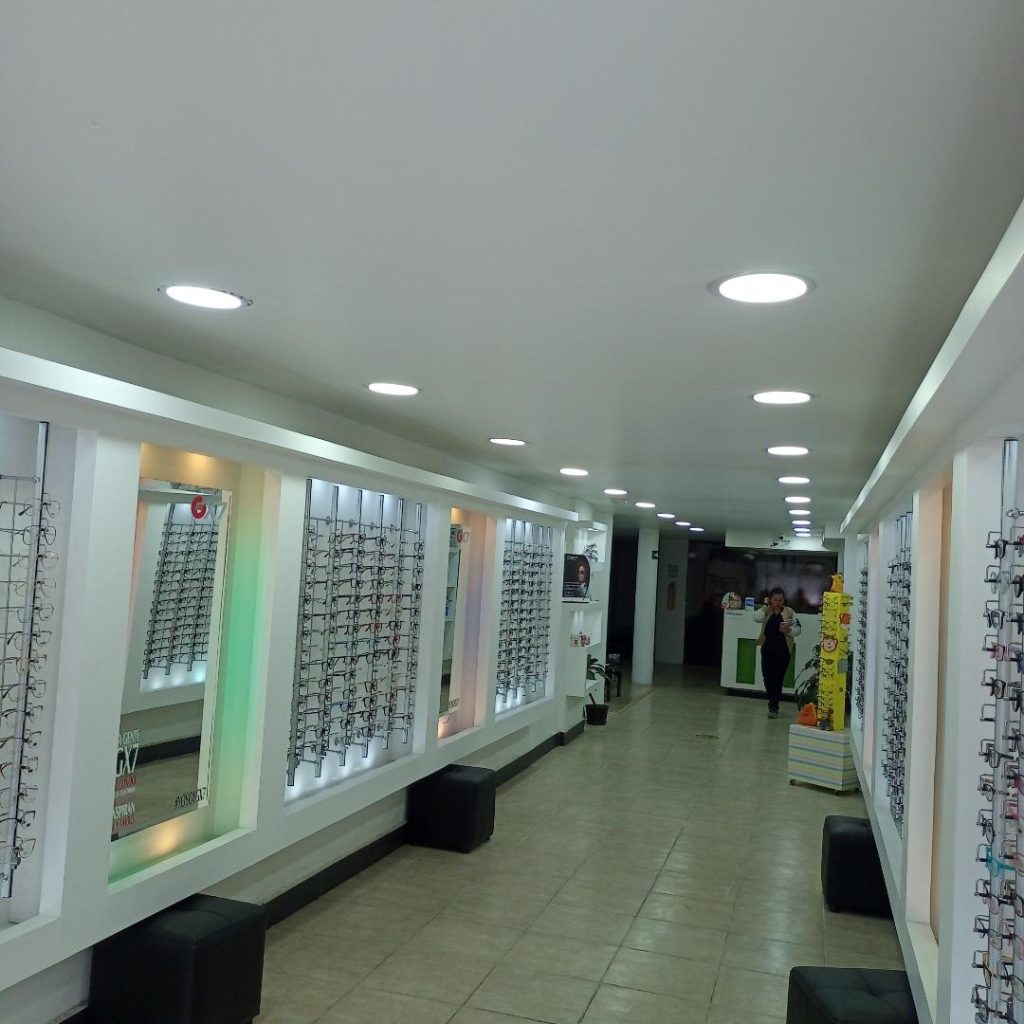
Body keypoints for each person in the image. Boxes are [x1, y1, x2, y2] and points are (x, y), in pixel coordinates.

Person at [753, 587, 801, 718]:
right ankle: (771, 701)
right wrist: (765, 606)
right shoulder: (766, 611)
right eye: (775, 600)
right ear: (770, 599)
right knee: (767, 677)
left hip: (783, 651)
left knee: (777, 678)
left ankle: (774, 706)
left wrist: (789, 630)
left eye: (780, 600)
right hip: (767, 649)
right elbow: (756, 618)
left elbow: (798, 629)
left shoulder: (789, 612)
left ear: (784, 600)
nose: (778, 603)